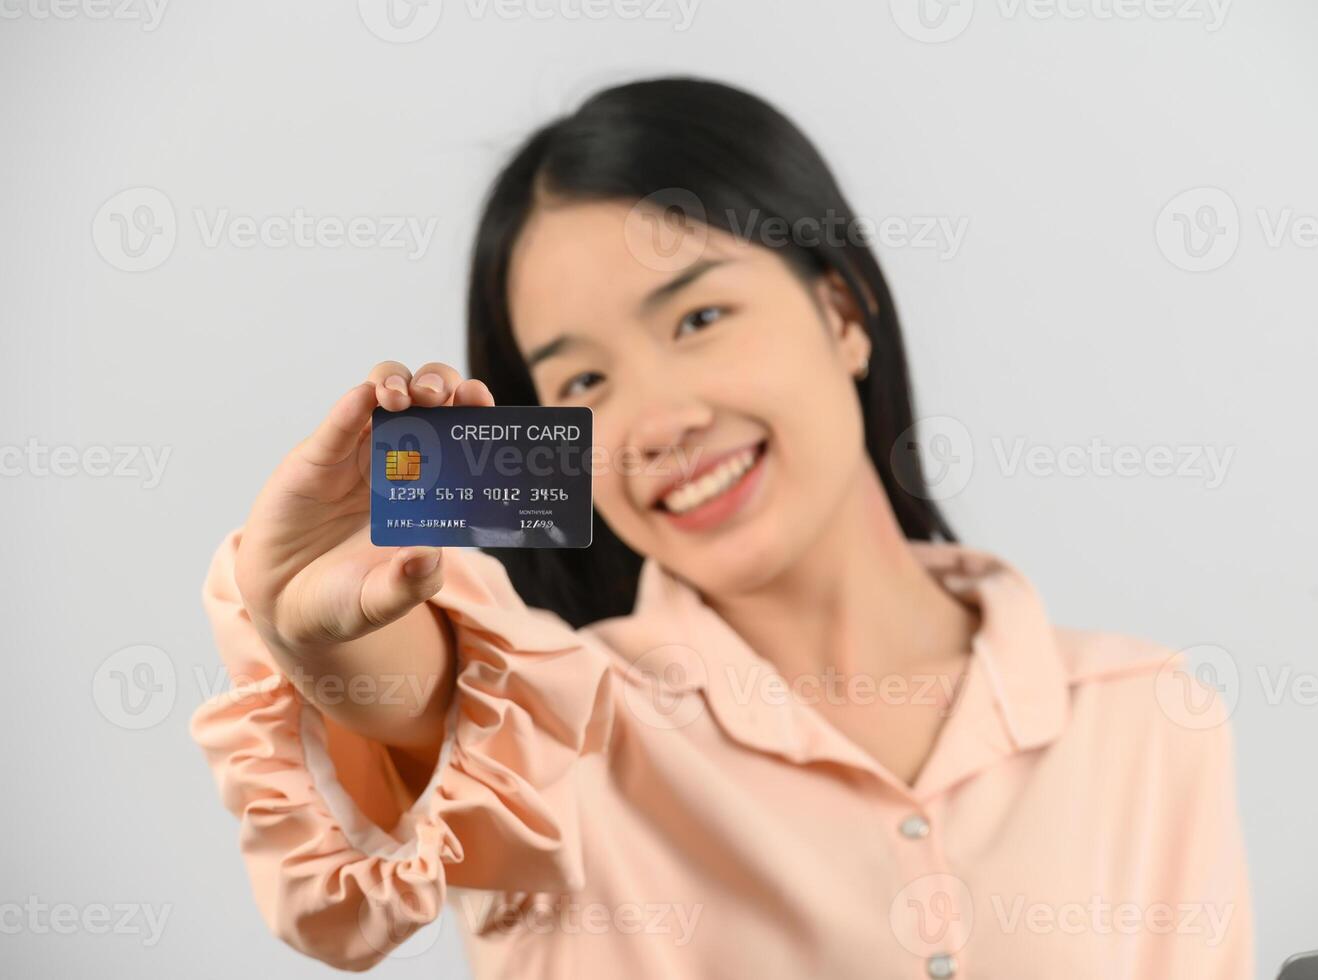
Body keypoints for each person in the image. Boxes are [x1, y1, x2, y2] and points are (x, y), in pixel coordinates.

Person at [191, 77, 1253, 978]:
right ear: (546, 441)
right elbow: (409, 688)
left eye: (698, 318)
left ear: (842, 314)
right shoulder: (564, 729)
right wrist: (306, 621)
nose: (657, 421)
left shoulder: (1143, 717)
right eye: (585, 380)